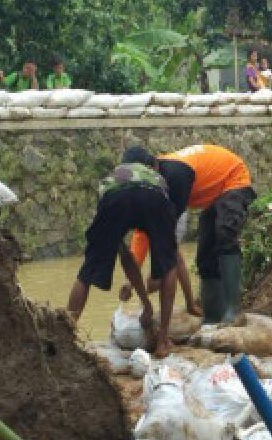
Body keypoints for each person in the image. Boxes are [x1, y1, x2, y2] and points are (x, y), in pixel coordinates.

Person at [123, 144, 256, 324]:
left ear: (152, 168)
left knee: (225, 232)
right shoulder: (151, 185)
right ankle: (213, 315)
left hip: (232, 178)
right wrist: (130, 280)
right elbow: (143, 232)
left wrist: (157, 274)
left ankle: (234, 309)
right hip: (211, 194)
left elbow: (164, 232)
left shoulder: (175, 176)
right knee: (205, 253)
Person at [66, 161, 180, 357]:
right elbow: (166, 259)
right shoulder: (156, 178)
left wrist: (146, 303)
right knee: (169, 265)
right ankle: (162, 342)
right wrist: (146, 303)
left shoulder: (111, 179)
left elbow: (125, 256)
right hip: (153, 196)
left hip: (115, 197)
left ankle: (65, 337)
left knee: (88, 269)